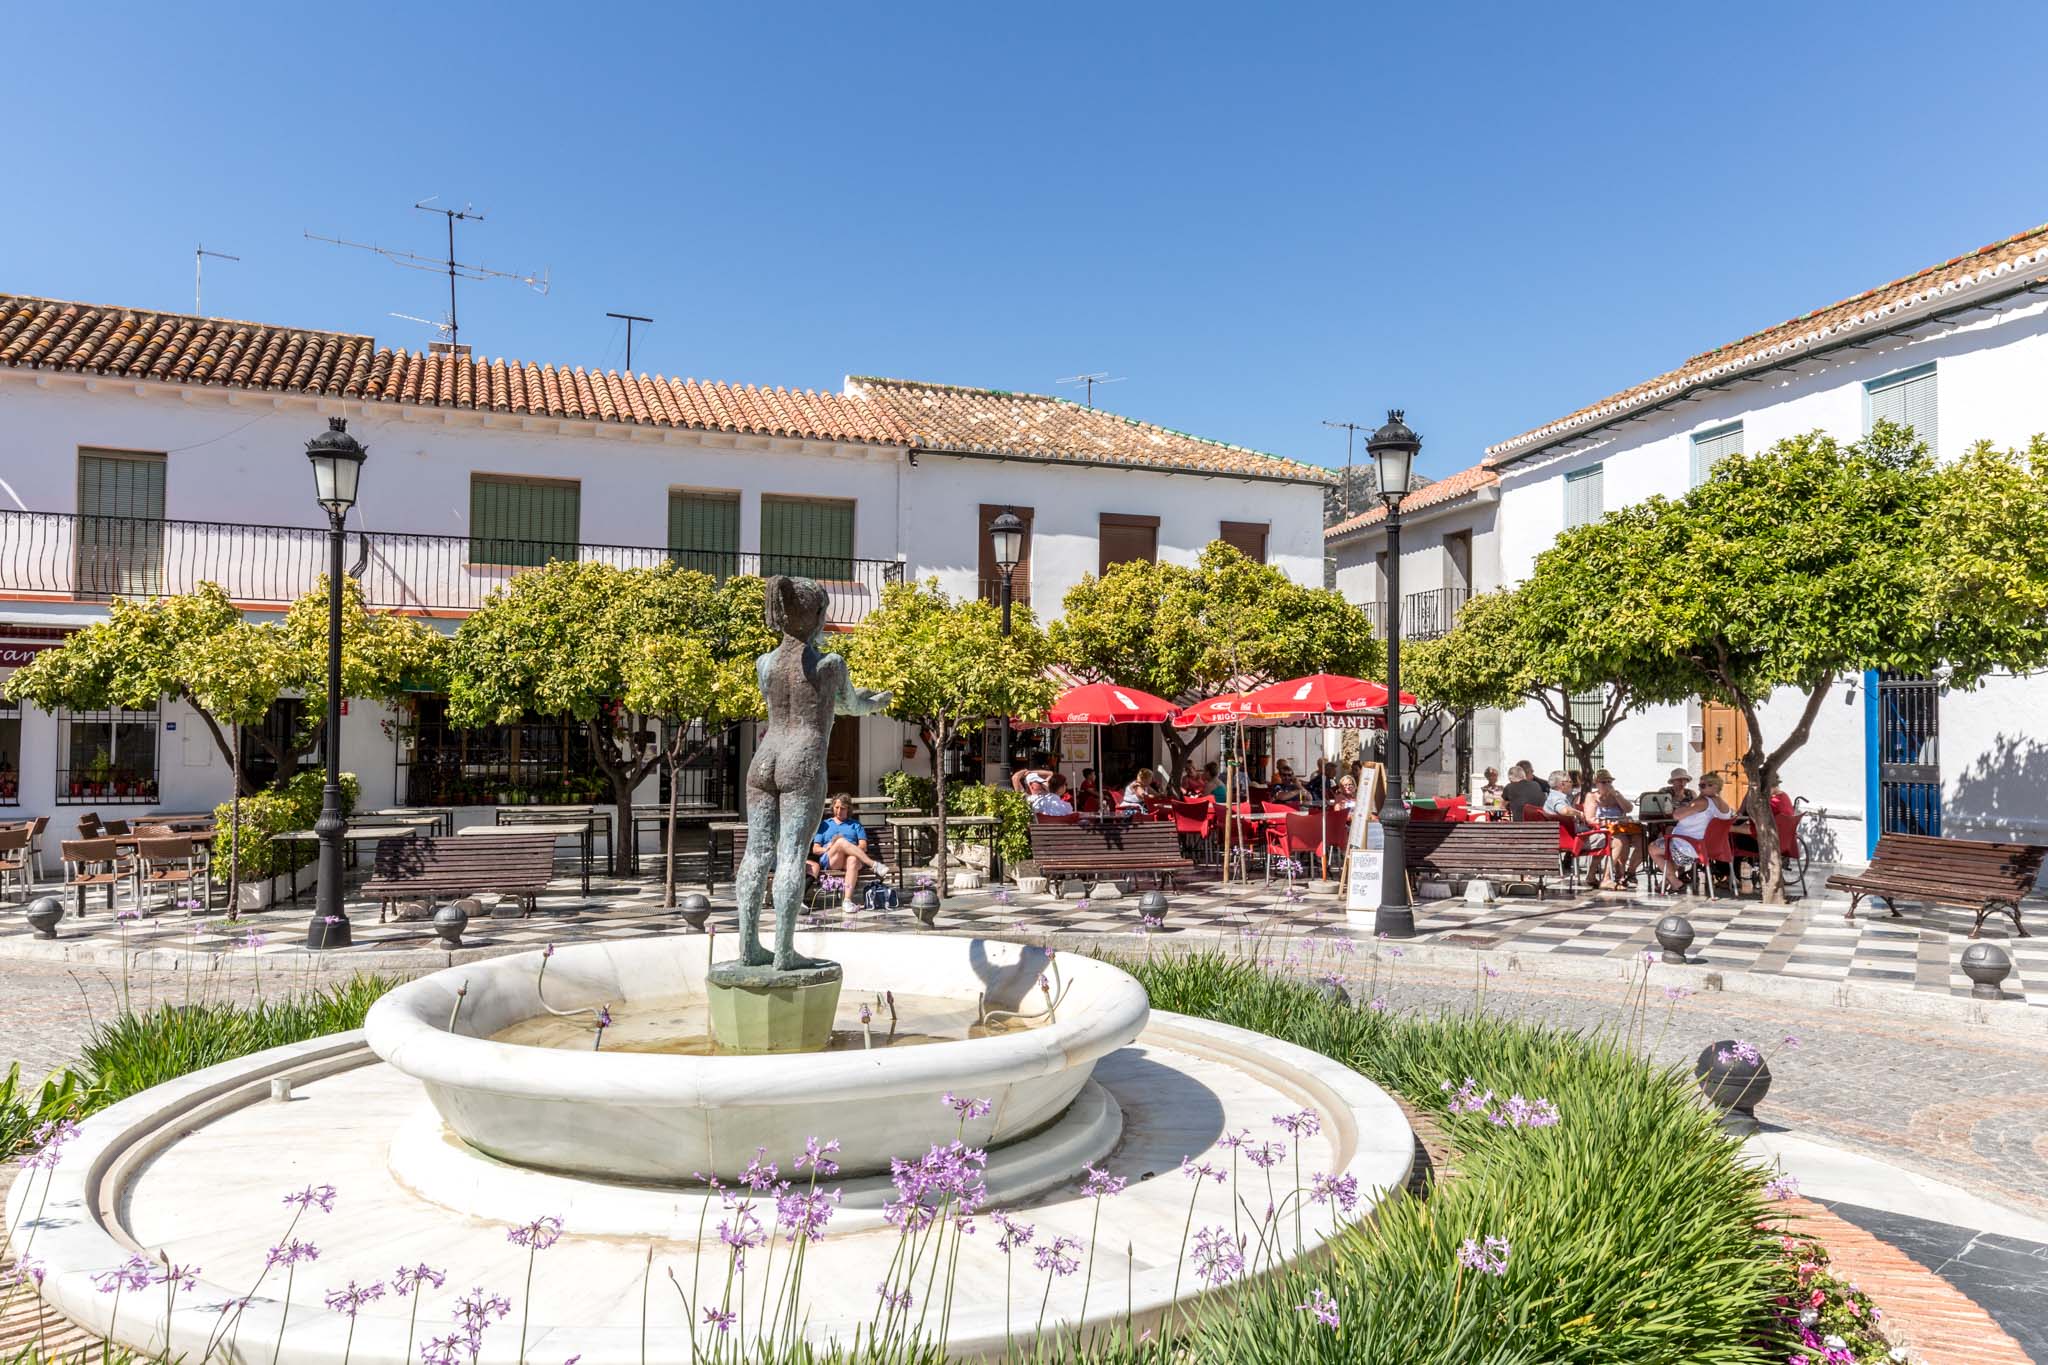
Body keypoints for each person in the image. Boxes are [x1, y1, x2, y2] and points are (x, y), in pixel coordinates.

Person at [1651, 774, 1734, 892]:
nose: (1701, 788)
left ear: (1716, 787)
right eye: (1700, 785)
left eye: (1705, 785)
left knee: (1653, 848)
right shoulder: (1725, 806)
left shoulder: (1701, 802)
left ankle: (1675, 883)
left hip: (1690, 847)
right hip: (1711, 848)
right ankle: (1664, 882)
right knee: (1671, 850)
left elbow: (1676, 815)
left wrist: (1697, 799)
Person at [812, 793, 890, 909]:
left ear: (848, 809)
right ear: (833, 808)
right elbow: (815, 849)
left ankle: (847, 901)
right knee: (840, 841)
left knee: (852, 859)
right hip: (833, 859)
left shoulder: (855, 824)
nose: (839, 811)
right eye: (836, 808)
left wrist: (849, 850)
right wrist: (828, 848)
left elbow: (863, 846)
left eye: (842, 808)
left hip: (851, 861)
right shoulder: (825, 825)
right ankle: (873, 865)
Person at [1582, 768, 1642, 887]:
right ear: (1597, 784)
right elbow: (1590, 819)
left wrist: (1616, 795)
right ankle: (1614, 876)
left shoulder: (1616, 795)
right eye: (1604, 782)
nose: (1607, 784)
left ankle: (1631, 871)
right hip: (1601, 829)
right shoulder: (1592, 796)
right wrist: (1609, 822)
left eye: (1609, 782)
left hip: (1622, 828)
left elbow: (1629, 809)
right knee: (1620, 841)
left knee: (1642, 841)